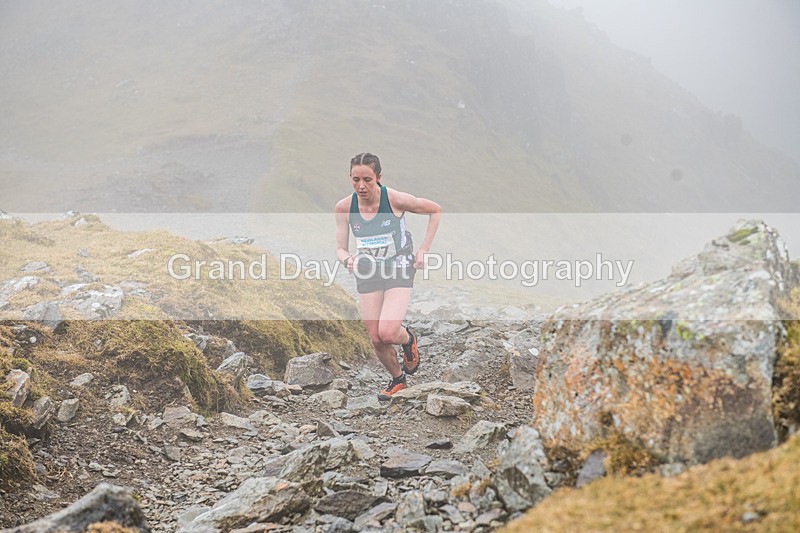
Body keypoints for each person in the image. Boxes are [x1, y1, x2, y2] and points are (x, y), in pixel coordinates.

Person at [335, 152, 442, 400]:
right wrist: (347, 259)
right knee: (375, 338)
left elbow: (435, 211)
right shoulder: (344, 207)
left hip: (399, 267)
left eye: (367, 180)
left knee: (388, 331)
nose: (361, 186)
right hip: (368, 271)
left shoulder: (394, 199)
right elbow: (340, 248)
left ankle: (408, 339)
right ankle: (398, 379)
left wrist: (423, 250)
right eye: (355, 179)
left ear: (379, 178)